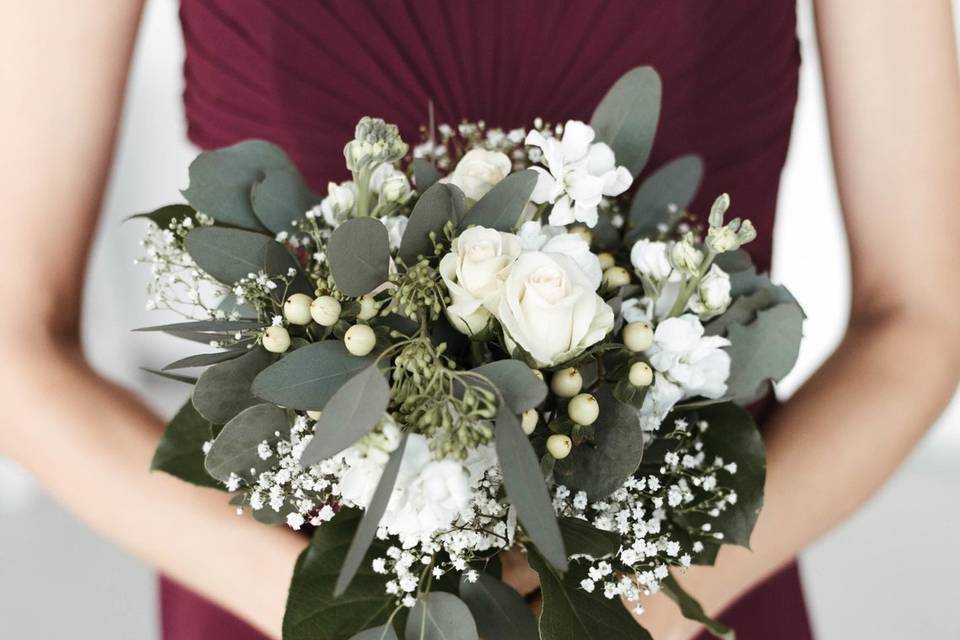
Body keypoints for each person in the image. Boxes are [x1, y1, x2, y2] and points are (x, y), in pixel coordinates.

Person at [2, 1, 958, 639]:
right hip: (283, 593)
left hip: (679, 600)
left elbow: (922, 314)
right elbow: (14, 346)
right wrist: (334, 616)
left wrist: (634, 608)